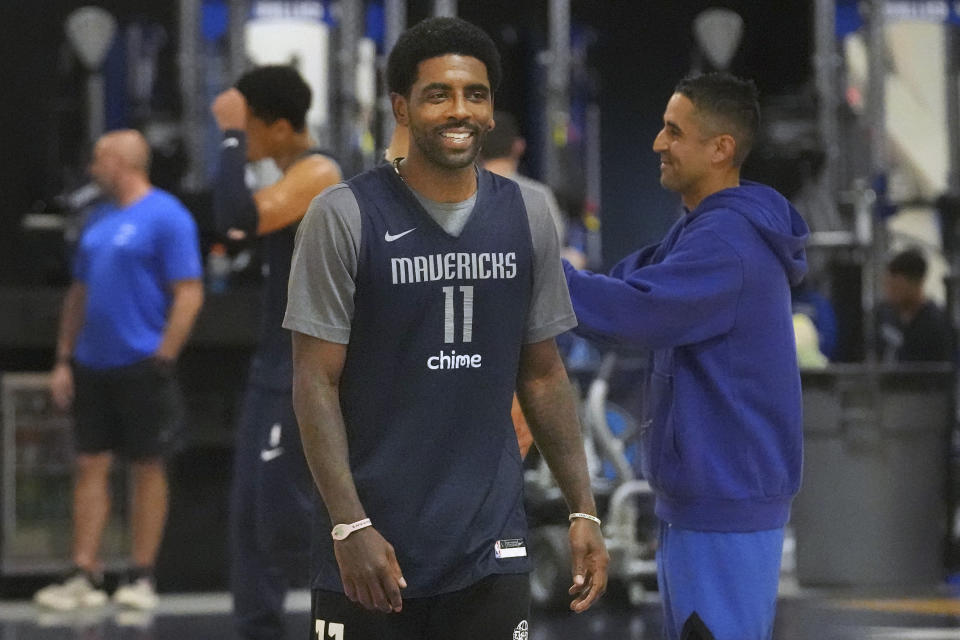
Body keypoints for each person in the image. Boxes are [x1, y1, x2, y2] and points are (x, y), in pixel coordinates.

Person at [283, 16, 608, 639]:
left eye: (475, 94)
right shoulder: (343, 216)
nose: (459, 111)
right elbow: (314, 382)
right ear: (401, 106)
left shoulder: (529, 212)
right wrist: (349, 525)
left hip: (490, 546)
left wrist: (583, 509)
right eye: (439, 95)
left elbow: (542, 374)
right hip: (370, 547)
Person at [564, 73, 809, 640]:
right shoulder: (700, 231)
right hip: (701, 502)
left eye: (674, 131)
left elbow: (636, 314)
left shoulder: (728, 243)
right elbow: (631, 284)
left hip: (724, 504)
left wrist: (535, 275)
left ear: (721, 148)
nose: (657, 143)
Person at [34, 130, 204, 611]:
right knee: (89, 463)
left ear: (122, 162)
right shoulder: (98, 221)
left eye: (98, 160)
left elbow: (188, 291)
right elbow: (78, 294)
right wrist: (64, 358)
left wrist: (164, 354)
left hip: (142, 362)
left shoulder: (167, 217)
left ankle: (141, 575)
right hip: (93, 361)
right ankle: (84, 571)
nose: (92, 169)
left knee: (148, 466)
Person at [210, 65, 342, 640]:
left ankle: (342, 617)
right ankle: (257, 628)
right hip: (274, 363)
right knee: (249, 516)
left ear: (281, 127)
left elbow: (235, 217)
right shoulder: (292, 177)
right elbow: (231, 221)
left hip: (303, 369)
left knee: (283, 514)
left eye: (254, 127)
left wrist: (229, 137)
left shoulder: (320, 172)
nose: (249, 140)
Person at [876, 247, 954, 363]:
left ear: (916, 283)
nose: (889, 292)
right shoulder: (884, 314)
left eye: (895, 287)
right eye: (887, 285)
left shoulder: (936, 324)